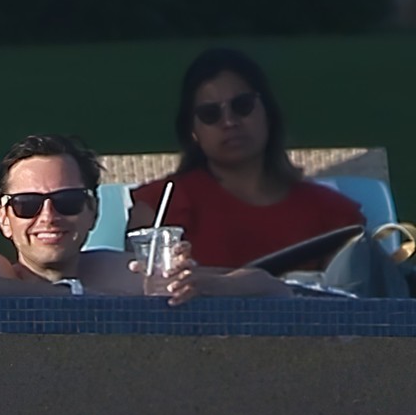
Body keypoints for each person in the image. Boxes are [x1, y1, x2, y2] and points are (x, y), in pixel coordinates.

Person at [0, 134, 288, 300]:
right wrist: (70, 295)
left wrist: (202, 284)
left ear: (93, 211)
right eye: (27, 204)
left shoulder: (118, 273)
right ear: (4, 218)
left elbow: (269, 287)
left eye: (68, 201)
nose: (49, 216)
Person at [128, 48, 363, 268]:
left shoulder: (331, 213)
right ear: (192, 131)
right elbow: (142, 288)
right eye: (210, 114)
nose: (229, 122)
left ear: (268, 113)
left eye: (243, 105)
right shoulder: (161, 208)